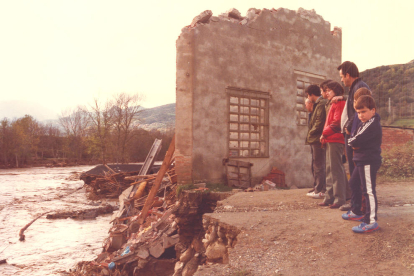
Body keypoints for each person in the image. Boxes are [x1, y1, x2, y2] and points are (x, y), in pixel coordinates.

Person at [341, 95, 382, 233]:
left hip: (368, 160)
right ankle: (356, 211)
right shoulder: (363, 122)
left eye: (363, 111)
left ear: (373, 110)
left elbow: (353, 140)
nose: (360, 115)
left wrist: (354, 143)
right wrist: (354, 142)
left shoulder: (372, 123)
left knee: (368, 190)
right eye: (358, 112)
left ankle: (371, 221)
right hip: (361, 159)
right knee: (353, 183)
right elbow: (354, 138)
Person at [334, 62, 370, 211]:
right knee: (354, 170)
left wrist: (348, 127)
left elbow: (360, 111)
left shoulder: (360, 87)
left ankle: (359, 205)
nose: (342, 80)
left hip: (355, 135)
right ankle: (356, 203)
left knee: (357, 172)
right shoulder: (355, 88)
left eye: (342, 77)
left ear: (348, 75)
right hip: (353, 135)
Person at [318, 81, 348, 208]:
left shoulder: (339, 103)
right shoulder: (332, 103)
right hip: (330, 139)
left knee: (335, 170)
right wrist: (325, 135)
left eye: (329, 90)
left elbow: (336, 123)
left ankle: (339, 198)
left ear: (336, 91)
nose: (327, 93)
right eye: (326, 90)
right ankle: (329, 197)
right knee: (330, 169)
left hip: (335, 138)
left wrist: (324, 133)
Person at [305, 85, 327, 198]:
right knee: (316, 163)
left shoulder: (321, 104)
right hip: (316, 138)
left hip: (318, 139)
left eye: (309, 95)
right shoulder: (319, 104)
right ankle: (318, 187)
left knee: (319, 164)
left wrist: (311, 133)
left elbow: (319, 122)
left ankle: (320, 189)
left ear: (311, 94)